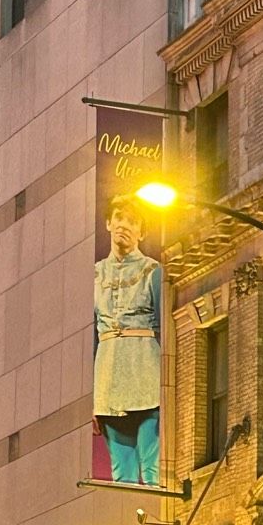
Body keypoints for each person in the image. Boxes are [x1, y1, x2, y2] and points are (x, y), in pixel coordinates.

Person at [93, 191, 162, 486]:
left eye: (132, 221)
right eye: (119, 218)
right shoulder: (94, 275)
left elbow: (165, 329)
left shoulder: (152, 270)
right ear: (108, 223)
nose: (124, 225)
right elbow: (88, 339)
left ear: (141, 231)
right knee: (122, 473)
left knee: (153, 468)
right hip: (107, 383)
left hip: (147, 376)